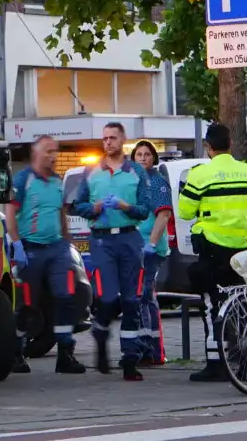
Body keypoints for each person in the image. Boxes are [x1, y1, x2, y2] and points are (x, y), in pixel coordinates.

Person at [72, 122, 162, 381]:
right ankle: (100, 333)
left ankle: (130, 360)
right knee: (108, 298)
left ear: (123, 139)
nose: (108, 142)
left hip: (129, 239)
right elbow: (78, 205)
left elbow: (145, 208)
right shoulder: (91, 171)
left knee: (132, 300)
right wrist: (95, 208)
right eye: (105, 138)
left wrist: (126, 207)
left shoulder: (135, 171)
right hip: (101, 241)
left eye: (112, 138)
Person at [178, 123, 247, 382]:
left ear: (208, 147)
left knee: (212, 305)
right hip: (244, 251)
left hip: (213, 251)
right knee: (245, 305)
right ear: (230, 144)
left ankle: (216, 363)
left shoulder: (199, 175)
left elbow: (184, 212)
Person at [7, 135, 86, 374]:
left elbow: (61, 214)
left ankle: (65, 354)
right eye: (49, 151)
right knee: (27, 305)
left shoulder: (57, 182)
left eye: (55, 152)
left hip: (56, 248)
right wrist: (17, 245)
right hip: (31, 249)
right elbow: (10, 214)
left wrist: (68, 242)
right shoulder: (24, 180)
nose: (53, 156)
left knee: (65, 299)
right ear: (36, 154)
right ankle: (17, 353)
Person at [132, 140, 172, 366]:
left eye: (147, 154)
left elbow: (164, 215)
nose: (143, 158)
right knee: (142, 297)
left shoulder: (157, 182)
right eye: (139, 154)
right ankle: (149, 349)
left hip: (151, 249)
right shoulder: (132, 182)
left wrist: (151, 244)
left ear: (153, 158)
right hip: (134, 247)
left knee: (144, 295)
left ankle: (151, 350)